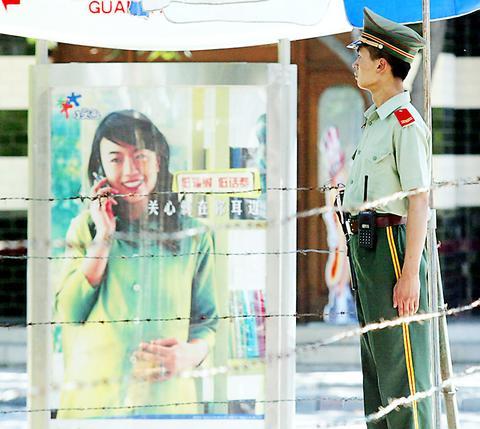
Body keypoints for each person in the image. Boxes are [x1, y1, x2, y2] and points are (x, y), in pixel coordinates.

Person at [55, 110, 218, 418]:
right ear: (100, 169)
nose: (130, 170)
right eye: (115, 159)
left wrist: (189, 354)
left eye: (140, 155)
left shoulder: (195, 236)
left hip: (166, 404)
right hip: (94, 406)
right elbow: (69, 313)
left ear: (159, 160)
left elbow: (208, 322)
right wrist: (103, 237)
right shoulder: (85, 229)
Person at [343, 8, 433, 429]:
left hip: (393, 250)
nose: (355, 62)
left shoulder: (404, 123)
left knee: (402, 370)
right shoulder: (374, 122)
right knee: (377, 370)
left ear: (382, 64)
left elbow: (419, 201)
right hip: (367, 249)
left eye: (360, 54)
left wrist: (410, 272)